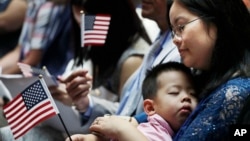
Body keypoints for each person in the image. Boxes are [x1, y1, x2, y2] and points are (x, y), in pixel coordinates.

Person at [67, 0, 250, 140]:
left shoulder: (237, 93)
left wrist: (122, 130)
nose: (176, 39)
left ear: (217, 20)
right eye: (173, 31)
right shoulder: (203, 80)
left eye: (181, 26)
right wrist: (102, 135)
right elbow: (154, 115)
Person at [64, 0, 180, 139]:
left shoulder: (178, 50)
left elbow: (162, 117)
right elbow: (126, 112)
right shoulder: (160, 39)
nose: (82, 17)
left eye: (89, 10)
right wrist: (87, 104)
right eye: (76, 6)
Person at [88, 62, 198, 141]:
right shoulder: (152, 131)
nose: (186, 97)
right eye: (174, 92)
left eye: (193, 94)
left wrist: (121, 129)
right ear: (150, 108)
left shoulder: (126, 128)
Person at [0, 0, 73, 76]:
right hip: (27, 69)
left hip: (49, 75)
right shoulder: (34, 3)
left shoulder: (48, 8)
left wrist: (3, 76)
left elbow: (33, 60)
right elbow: (19, 51)